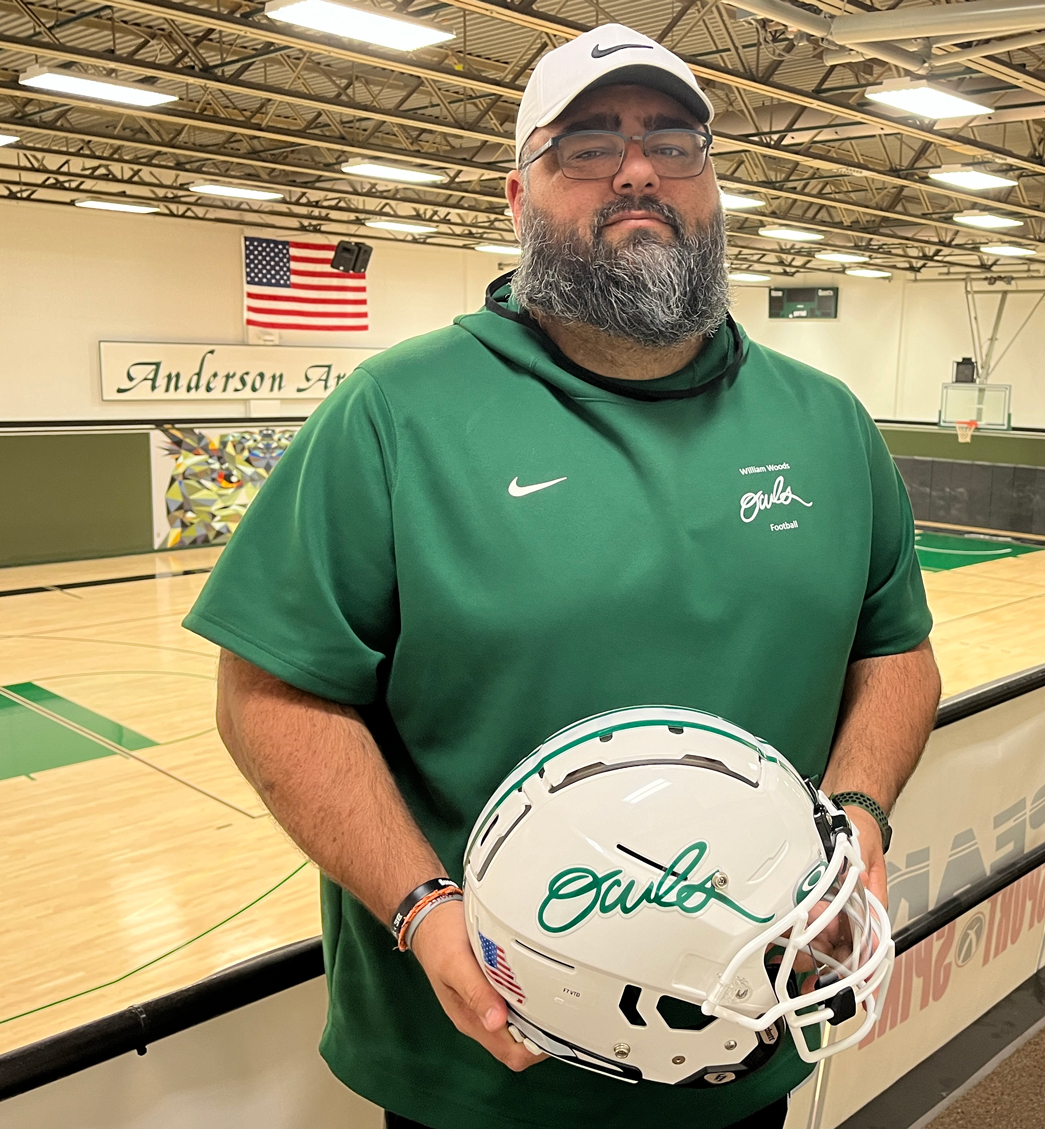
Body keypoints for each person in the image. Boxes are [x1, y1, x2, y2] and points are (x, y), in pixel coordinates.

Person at [185, 21, 942, 1129]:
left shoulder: (825, 423)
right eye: (586, 144)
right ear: (518, 193)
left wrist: (860, 818)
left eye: (673, 140)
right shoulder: (395, 414)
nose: (637, 168)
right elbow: (272, 696)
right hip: (481, 1071)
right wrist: (422, 909)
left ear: (713, 182)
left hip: (747, 1036)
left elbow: (897, 652)